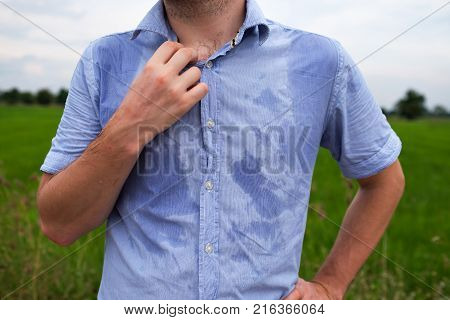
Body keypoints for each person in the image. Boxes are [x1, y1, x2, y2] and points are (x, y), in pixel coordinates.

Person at [37, 0, 405, 300]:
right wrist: (131, 122)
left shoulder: (321, 60)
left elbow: (383, 180)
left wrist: (330, 285)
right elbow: (59, 224)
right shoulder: (102, 60)